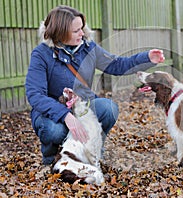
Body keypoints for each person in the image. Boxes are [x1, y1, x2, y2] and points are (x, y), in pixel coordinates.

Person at [25, 5, 165, 165]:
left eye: (82, 28)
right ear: (61, 32)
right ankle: (51, 157)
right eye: (76, 30)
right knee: (54, 131)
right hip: (52, 112)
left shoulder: (88, 48)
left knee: (109, 108)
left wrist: (146, 58)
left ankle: (94, 150)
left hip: (82, 106)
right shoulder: (41, 54)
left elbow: (117, 64)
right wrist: (65, 115)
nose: (82, 33)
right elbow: (35, 95)